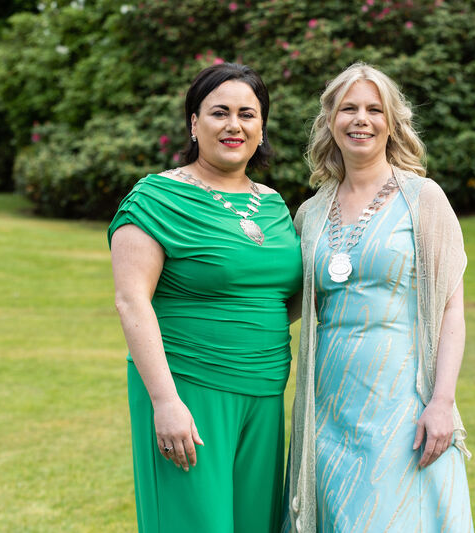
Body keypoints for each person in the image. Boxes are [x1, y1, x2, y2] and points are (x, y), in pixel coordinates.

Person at [108, 63, 302, 533]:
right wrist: (165, 401)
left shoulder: (275, 206)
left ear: (261, 128)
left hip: (265, 388)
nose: (234, 125)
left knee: (254, 524)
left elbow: (286, 297)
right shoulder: (156, 197)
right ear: (195, 124)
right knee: (194, 524)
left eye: (247, 114)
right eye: (219, 112)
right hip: (188, 387)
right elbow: (132, 301)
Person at [284, 63, 473, 532]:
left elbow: (452, 308)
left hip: (403, 398)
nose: (361, 119)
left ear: (391, 122)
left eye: (374, 109)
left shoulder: (424, 199)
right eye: (348, 108)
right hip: (327, 400)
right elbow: (287, 303)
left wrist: (442, 402)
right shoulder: (309, 213)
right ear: (331, 120)